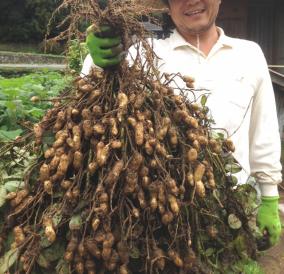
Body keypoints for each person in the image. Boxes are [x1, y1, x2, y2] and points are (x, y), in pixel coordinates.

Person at [82, 0, 282, 248]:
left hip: (233, 206)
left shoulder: (249, 54)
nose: (191, 1)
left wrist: (270, 196)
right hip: (162, 216)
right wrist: (96, 62)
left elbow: (263, 131)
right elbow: (94, 97)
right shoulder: (145, 54)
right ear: (167, 5)